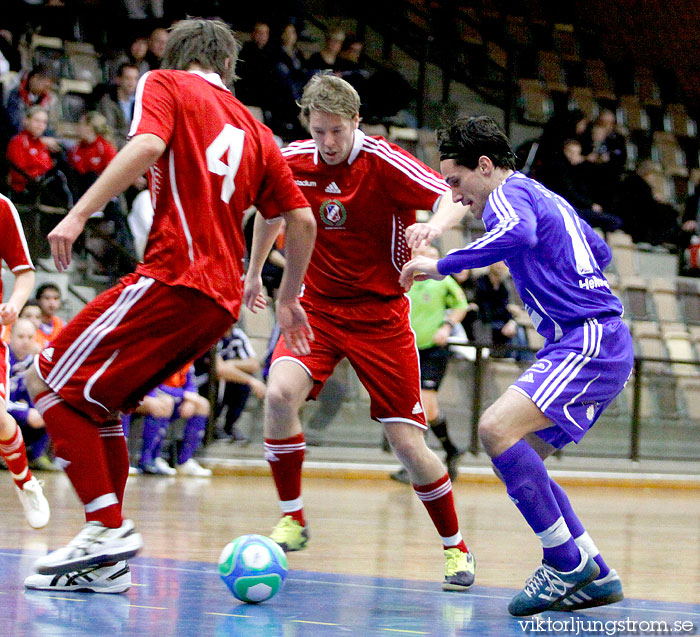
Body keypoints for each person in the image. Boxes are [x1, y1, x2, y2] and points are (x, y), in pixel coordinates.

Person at [22, 18, 315, 595]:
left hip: (173, 276)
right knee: (99, 404)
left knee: (44, 379)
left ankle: (105, 529)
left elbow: (149, 145)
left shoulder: (166, 83)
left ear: (177, 56)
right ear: (229, 66)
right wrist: (284, 295)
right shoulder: (257, 133)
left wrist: (79, 212)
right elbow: (297, 217)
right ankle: (104, 563)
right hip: (218, 304)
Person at [244, 73, 475, 591]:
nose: (327, 143)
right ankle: (293, 519)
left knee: (407, 445)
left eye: (336, 132)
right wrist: (254, 271)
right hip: (317, 310)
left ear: (356, 123)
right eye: (318, 129)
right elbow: (269, 210)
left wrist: (432, 230)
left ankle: (455, 547)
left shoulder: (385, 162)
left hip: (381, 317)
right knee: (279, 395)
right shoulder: (295, 158)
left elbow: (454, 196)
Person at [399, 116, 633, 616]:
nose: (457, 197)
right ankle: (595, 570)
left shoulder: (507, 197)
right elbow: (601, 250)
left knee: (493, 428)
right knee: (522, 453)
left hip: (585, 338)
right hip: (594, 339)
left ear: (485, 167)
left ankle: (564, 562)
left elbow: (520, 232)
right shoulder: (544, 194)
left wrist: (442, 264)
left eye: (457, 182)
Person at [391, 244, 468, 485]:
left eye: (434, 256)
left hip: (433, 352)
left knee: (424, 408)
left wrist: (446, 326)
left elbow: (461, 305)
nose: (429, 259)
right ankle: (451, 449)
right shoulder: (403, 281)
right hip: (406, 352)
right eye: (424, 255)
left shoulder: (443, 282)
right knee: (420, 410)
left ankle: (415, 465)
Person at [0, 193, 51, 530]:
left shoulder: (2, 208)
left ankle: (25, 481)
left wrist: (15, 305)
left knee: (0, 421)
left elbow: (25, 275)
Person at [7, 318, 58, 471]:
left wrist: (32, 410)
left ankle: (35, 456)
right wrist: (24, 411)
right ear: (10, 336)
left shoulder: (33, 363)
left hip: (19, 416)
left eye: (30, 337)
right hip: (6, 413)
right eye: (21, 336)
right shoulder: (4, 360)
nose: (25, 342)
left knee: (49, 409)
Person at [5, 106, 73, 210]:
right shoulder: (18, 142)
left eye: (44, 122)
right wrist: (40, 174)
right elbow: (18, 175)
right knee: (60, 175)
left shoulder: (41, 143)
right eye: (37, 121)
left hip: (43, 186)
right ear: (26, 121)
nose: (40, 126)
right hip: (26, 188)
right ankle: (73, 209)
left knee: (66, 170)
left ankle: (73, 208)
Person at [97, 63, 141, 149]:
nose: (131, 83)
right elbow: (109, 131)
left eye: (135, 79)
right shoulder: (107, 102)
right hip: (115, 150)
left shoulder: (139, 103)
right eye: (128, 78)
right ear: (118, 79)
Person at [35, 282, 66, 352]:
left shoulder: (62, 325)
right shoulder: (30, 324)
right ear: (38, 300)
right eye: (47, 298)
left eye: (56, 298)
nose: (52, 303)